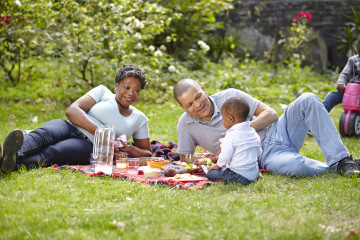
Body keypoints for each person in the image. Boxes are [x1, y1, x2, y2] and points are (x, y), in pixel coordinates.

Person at [174, 78, 360, 177]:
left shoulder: (229, 96)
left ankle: (342, 159)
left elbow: (270, 114)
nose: (197, 105)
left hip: (281, 130)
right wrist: (210, 159)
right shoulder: (185, 124)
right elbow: (185, 159)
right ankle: (338, 169)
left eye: (198, 96)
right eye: (189, 105)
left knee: (308, 99)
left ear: (204, 90)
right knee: (294, 166)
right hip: (266, 156)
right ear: (182, 108)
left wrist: (241, 131)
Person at [0, 64, 152, 173]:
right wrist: (101, 131)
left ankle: (8, 162)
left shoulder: (139, 118)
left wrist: (130, 148)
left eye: (136, 90)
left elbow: (147, 153)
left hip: (91, 146)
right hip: (69, 126)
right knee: (43, 134)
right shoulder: (102, 92)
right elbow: (72, 111)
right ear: (117, 85)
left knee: (53, 152)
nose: (131, 93)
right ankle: (8, 156)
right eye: (127, 87)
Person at [206, 97, 262, 184]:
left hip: (239, 176)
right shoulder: (252, 132)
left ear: (230, 119)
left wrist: (217, 166)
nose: (223, 122)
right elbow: (259, 153)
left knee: (211, 173)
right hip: (253, 174)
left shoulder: (231, 135)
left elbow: (225, 156)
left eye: (224, 120)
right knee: (227, 168)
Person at [322, 36, 360, 112]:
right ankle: (321, 113)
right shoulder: (353, 60)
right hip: (352, 91)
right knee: (332, 96)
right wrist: (341, 82)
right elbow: (344, 74)